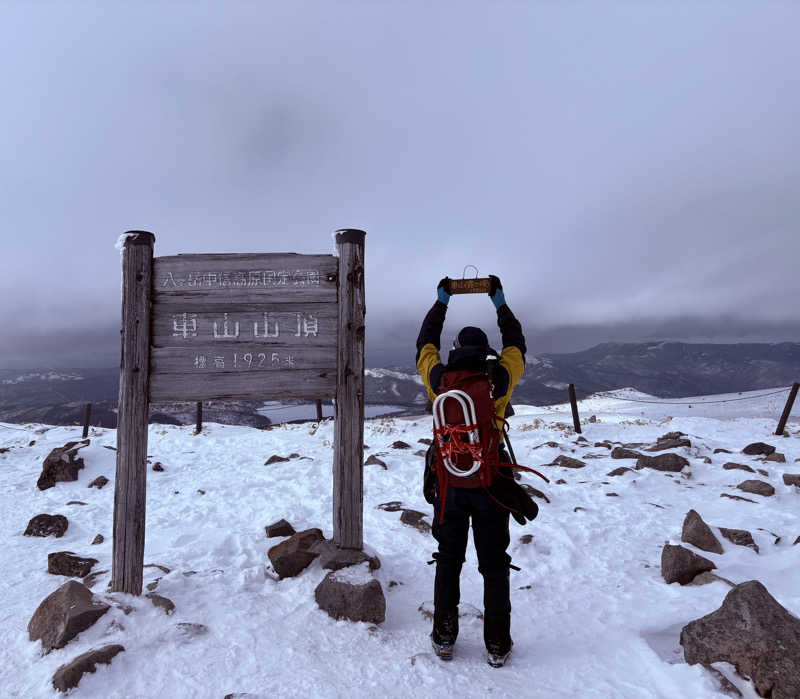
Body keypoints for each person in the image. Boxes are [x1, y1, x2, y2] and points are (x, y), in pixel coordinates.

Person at [415, 275, 529, 667]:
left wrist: (441, 301)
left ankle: (444, 638)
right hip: (491, 486)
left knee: (449, 560)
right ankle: (497, 645)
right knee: (494, 566)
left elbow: (424, 344)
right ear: (486, 353)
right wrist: (500, 302)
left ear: (457, 350)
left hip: (449, 488)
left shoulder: (438, 380)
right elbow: (517, 344)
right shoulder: (498, 380)